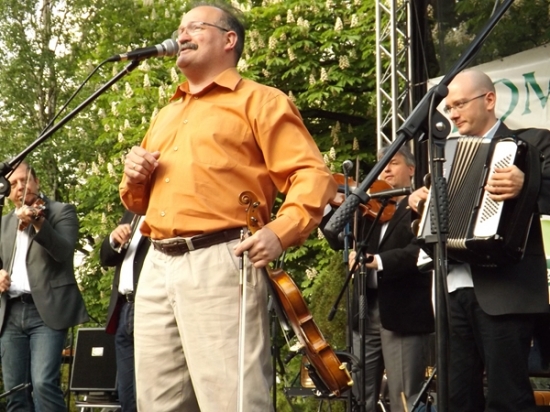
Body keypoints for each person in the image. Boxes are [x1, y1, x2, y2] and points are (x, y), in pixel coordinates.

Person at [118, 2, 337, 411]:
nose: (181, 35)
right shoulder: (165, 114)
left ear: (228, 39)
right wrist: (134, 176)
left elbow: (312, 176)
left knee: (231, 400)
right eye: (179, 28)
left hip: (221, 258)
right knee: (157, 403)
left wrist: (280, 231)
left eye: (194, 27)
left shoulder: (261, 101)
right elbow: (137, 202)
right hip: (156, 264)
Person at [408, 69, 550, 412]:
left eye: (459, 104)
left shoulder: (534, 142)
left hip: (506, 288)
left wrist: (527, 185)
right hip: (452, 289)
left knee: (507, 397)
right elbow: (437, 225)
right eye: (449, 108)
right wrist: (422, 206)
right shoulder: (445, 156)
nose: (453, 114)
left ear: (489, 100)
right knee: (456, 398)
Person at [323, 146, 434, 412]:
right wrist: (326, 201)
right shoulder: (368, 209)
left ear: (411, 169)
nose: (385, 169)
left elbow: (422, 252)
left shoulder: (420, 205)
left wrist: (378, 261)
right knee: (361, 395)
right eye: (382, 164)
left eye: (393, 163)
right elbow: (336, 238)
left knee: (404, 396)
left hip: (402, 313)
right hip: (365, 309)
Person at [0, 161, 89, 411]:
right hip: (10, 312)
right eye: (13, 183)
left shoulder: (62, 212)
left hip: (46, 311)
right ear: (7, 191)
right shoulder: (4, 223)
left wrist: (38, 221)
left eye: (25, 180)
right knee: (15, 391)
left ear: (37, 182)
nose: (20, 186)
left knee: (43, 384)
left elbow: (63, 252)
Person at [99, 211, 150, 412]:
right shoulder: (132, 212)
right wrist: (113, 238)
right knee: (126, 394)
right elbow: (105, 258)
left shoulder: (164, 208)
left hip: (148, 305)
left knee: (148, 391)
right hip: (124, 308)